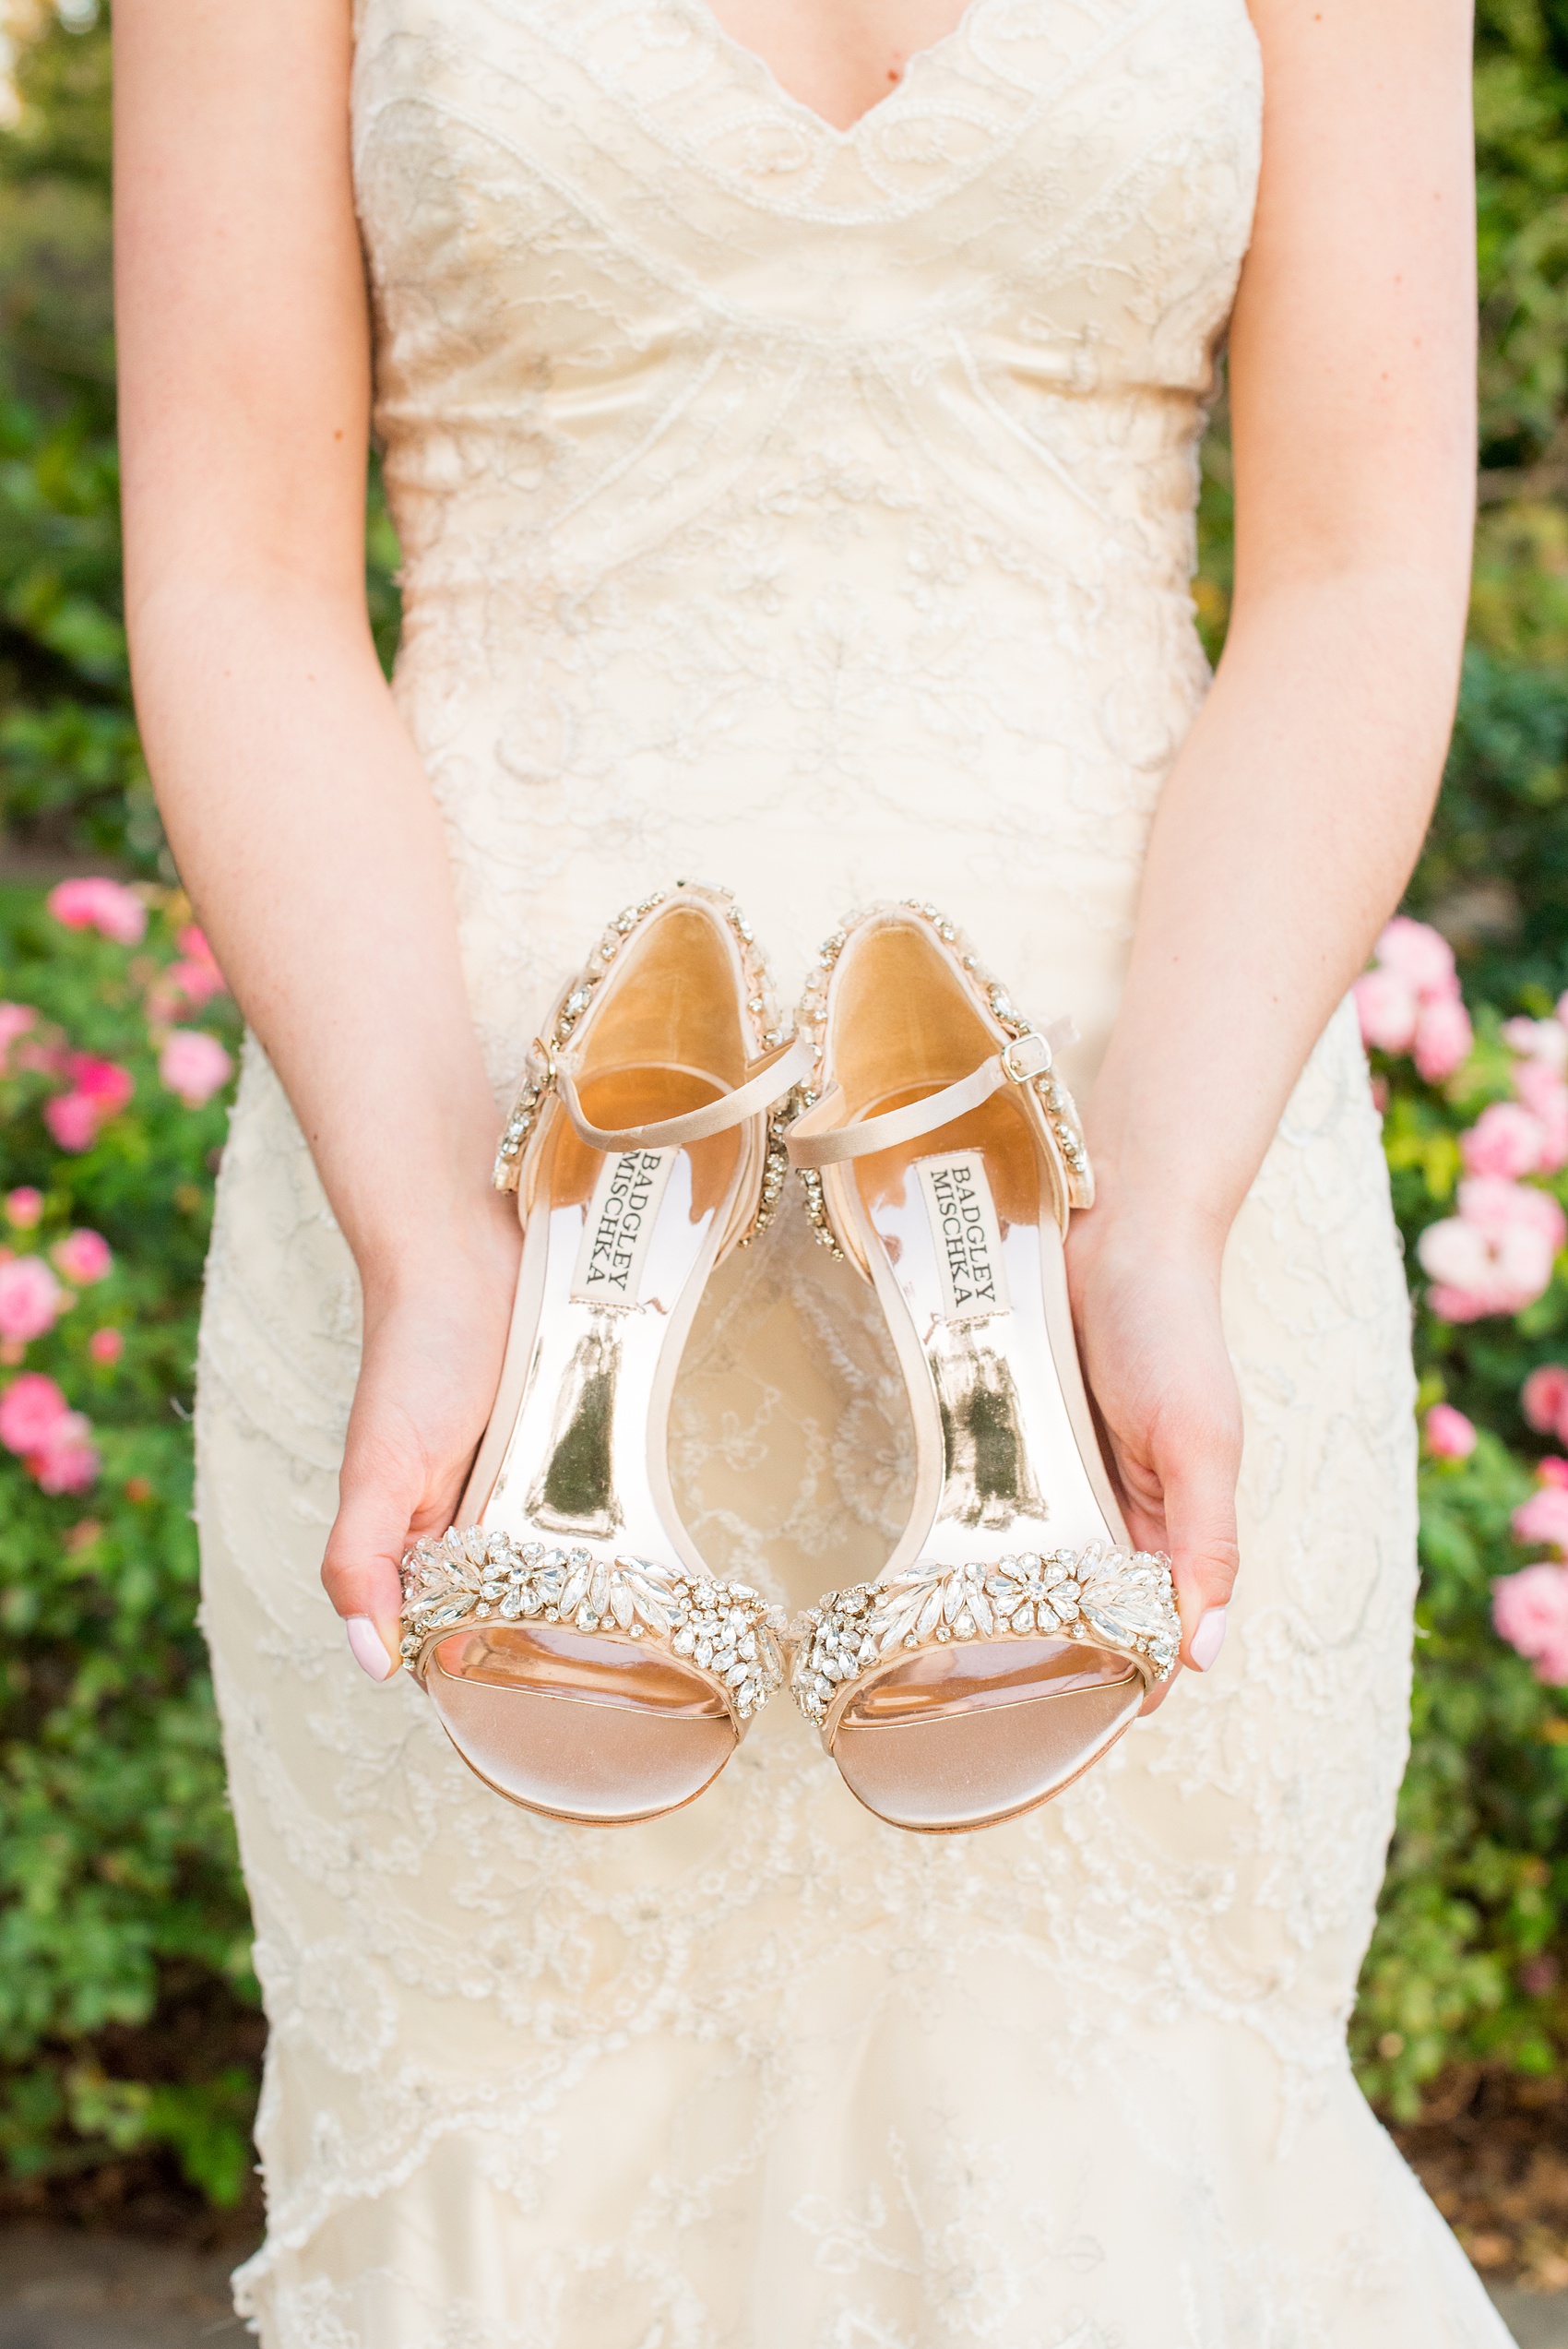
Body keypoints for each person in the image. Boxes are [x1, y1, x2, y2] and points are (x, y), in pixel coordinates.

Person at [114, 0, 1503, 2339]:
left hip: (1131, 1168)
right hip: (486, 1200)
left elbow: (1360, 565)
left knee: (1120, 2175)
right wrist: (416, 1233)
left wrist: (1156, 1203)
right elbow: (242, 561)